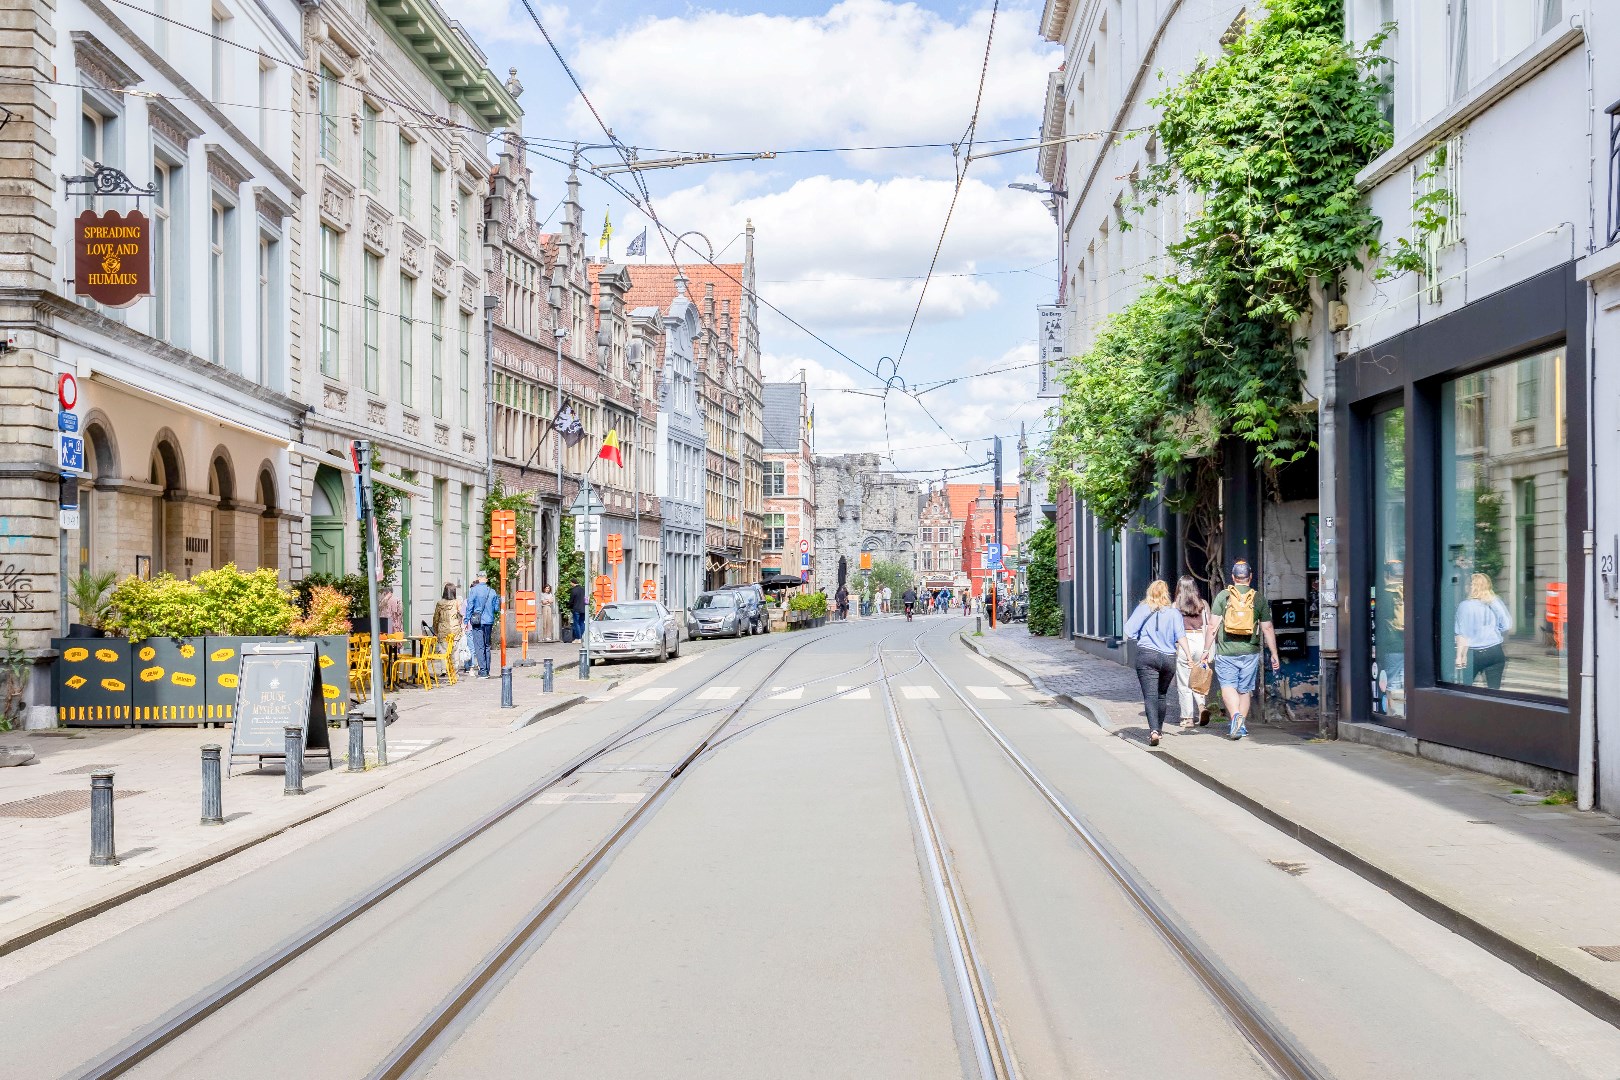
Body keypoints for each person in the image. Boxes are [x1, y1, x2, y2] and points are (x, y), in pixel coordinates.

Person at [1211, 560, 1279, 741]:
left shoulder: (1223, 596)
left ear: (1233, 578)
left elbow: (1212, 626)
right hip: (1250, 651)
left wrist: (1205, 650)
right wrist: (1274, 653)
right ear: (1250, 577)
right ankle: (1240, 727)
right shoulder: (1258, 598)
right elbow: (1267, 628)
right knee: (1244, 690)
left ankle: (1235, 716)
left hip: (1226, 651)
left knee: (1227, 686)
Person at [1125, 580, 1183, 746]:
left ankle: (1153, 731)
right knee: (1162, 695)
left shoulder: (1143, 608)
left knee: (1150, 696)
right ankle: (1160, 729)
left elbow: (1129, 631)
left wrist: (1141, 637)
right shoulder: (1174, 613)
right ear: (1166, 593)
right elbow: (1180, 636)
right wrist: (1189, 655)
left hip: (1147, 656)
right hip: (1169, 658)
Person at [1455, 572, 1512, 689]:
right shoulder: (1495, 601)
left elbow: (1462, 634)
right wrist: (1494, 630)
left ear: (1472, 587)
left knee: (1464, 692)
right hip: (1495, 652)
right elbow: (1506, 625)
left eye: (1468, 585)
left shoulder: (1464, 606)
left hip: (1472, 654)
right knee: (1494, 692)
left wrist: (1459, 656)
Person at [1171, 576, 1214, 730]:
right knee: (1198, 677)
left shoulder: (1175, 605)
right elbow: (1210, 626)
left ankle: (1188, 718)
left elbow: (1173, 628)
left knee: (1184, 683)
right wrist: (1207, 649)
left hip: (1184, 643)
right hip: (1201, 641)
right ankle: (1202, 706)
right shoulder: (1203, 604)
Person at [463, 572, 501, 679]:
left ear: (478, 578)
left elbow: (470, 606)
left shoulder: (474, 590)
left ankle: (483, 671)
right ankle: (487, 670)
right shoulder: (492, 591)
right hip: (488, 621)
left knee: (479, 646)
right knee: (487, 645)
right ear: (487, 579)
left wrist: (466, 621)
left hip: (477, 622)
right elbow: (496, 609)